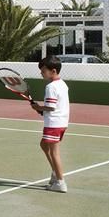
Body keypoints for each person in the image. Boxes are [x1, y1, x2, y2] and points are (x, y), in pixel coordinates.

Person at [30, 55, 70, 193]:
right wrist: (42, 111)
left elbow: (51, 107)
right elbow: (56, 106)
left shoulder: (51, 87)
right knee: (43, 144)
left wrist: (38, 108)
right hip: (61, 122)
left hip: (54, 123)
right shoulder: (62, 84)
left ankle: (60, 182)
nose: (41, 72)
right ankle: (55, 172)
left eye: (43, 70)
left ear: (53, 71)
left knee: (54, 153)